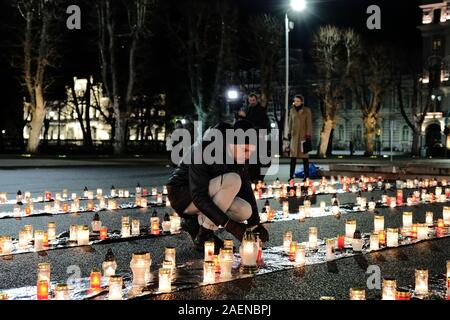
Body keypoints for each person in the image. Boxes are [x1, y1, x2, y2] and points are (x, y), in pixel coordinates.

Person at [167, 120, 269, 251]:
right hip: (183, 195)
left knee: (245, 210)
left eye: (252, 151)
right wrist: (230, 226)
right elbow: (199, 195)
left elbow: (246, 188)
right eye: (246, 149)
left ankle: (195, 222)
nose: (248, 155)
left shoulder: (240, 156)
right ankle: (204, 235)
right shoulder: (206, 150)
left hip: (207, 195)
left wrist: (255, 224)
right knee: (233, 180)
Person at [238, 93, 271, 182]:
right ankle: (252, 177)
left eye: (253, 100)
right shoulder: (247, 109)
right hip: (249, 138)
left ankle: (259, 177)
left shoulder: (261, 110)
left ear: (257, 100)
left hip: (258, 137)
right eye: (250, 100)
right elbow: (245, 123)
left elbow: (266, 124)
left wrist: (261, 132)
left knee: (260, 159)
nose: (252, 102)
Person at [288, 94, 312, 180]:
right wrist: (289, 133)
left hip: (303, 137)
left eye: (298, 101)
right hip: (294, 137)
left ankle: (306, 176)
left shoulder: (307, 110)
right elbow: (290, 123)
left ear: (302, 102)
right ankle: (291, 176)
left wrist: (308, 135)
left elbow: (309, 124)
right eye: (295, 101)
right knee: (293, 158)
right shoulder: (292, 110)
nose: (296, 102)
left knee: (305, 158)